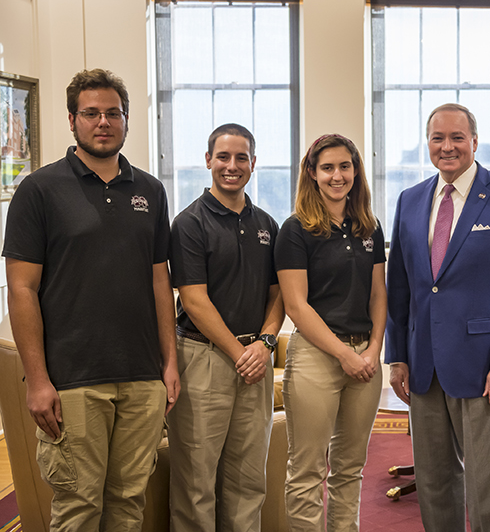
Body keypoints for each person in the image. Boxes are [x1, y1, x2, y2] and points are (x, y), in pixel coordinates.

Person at [3, 68, 180, 530]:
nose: (103, 122)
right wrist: (37, 380)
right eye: (91, 113)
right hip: (73, 381)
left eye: (113, 113)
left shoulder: (150, 191)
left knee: (127, 503)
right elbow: (21, 289)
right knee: (80, 508)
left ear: (126, 120)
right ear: (71, 120)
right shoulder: (39, 190)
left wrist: (170, 362)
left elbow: (160, 279)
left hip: (142, 378)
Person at [386, 103, 490, 532]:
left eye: (457, 137)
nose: (447, 146)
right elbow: (400, 286)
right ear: (428, 143)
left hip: (484, 366)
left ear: (474, 141)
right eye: (438, 138)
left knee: (488, 487)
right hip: (423, 366)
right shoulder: (410, 199)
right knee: (434, 483)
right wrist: (397, 355)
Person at [167, 123, 284, 531]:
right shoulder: (189, 224)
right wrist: (240, 354)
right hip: (205, 359)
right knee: (196, 481)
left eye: (240, 158)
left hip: (256, 359)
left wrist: (266, 344)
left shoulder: (267, 222)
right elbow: (194, 300)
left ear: (253, 163)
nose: (231, 166)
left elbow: (278, 295)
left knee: (248, 478)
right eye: (223, 157)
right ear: (208, 161)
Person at [276, 134, 385, 531]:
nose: (337, 176)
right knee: (307, 471)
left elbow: (378, 295)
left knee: (350, 468)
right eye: (327, 168)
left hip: (365, 358)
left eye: (344, 167)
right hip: (316, 358)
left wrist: (374, 349)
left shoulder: (369, 227)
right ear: (312, 173)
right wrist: (344, 355)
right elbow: (296, 306)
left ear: (355, 171)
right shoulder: (296, 230)